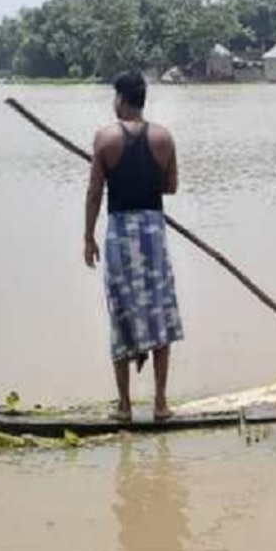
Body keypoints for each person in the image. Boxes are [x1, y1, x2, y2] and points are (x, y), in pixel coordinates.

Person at [84, 71, 182, 422]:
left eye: (115, 97)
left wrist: (88, 237)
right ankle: (160, 404)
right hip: (153, 232)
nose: (114, 104)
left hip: (121, 232)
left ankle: (124, 406)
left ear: (123, 99)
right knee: (159, 313)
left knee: (122, 311)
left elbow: (95, 192)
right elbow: (170, 186)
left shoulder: (105, 139)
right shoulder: (164, 138)